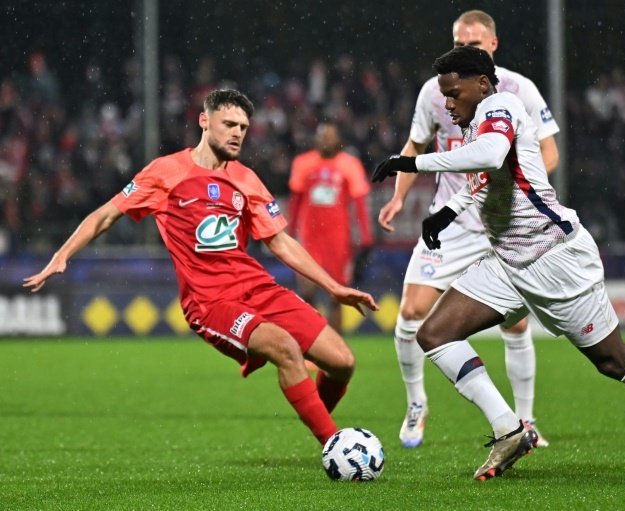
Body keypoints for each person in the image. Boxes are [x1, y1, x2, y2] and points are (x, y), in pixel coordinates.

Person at [371, 46, 625, 480]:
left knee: (613, 361)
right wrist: (447, 212)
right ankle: (509, 429)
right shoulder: (473, 124)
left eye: (453, 93)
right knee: (434, 333)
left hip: (554, 257)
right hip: (507, 263)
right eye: (444, 96)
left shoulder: (501, 104)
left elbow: (488, 154)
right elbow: (485, 176)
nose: (447, 104)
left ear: (481, 84)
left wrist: (411, 161)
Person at [24, 89, 379, 447]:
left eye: (243, 126)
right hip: (211, 302)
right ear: (204, 121)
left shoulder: (246, 179)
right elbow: (106, 215)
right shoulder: (166, 172)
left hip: (258, 288)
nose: (238, 132)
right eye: (229, 124)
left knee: (343, 362)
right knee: (285, 348)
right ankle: (334, 445)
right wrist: (63, 253)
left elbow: (281, 242)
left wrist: (333, 287)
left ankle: (318, 421)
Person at [377, 9, 558, 448]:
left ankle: (526, 420)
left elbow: (548, 152)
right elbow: (415, 144)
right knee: (412, 313)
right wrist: (400, 196)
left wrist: (523, 184)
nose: (466, 49)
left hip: (502, 222)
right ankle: (417, 403)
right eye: (460, 41)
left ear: (492, 46)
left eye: (475, 43)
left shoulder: (520, 90)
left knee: (515, 326)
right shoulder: (435, 91)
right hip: (452, 220)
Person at [288, 121, 373, 333]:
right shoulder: (303, 163)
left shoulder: (350, 164)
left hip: (338, 239)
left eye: (330, 136)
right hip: (310, 236)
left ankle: (336, 349)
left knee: (337, 295)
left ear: (338, 140)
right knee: (307, 290)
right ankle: (316, 339)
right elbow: (296, 201)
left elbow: (360, 204)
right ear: (316, 139)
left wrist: (365, 236)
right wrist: (289, 233)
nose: (326, 140)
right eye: (322, 136)